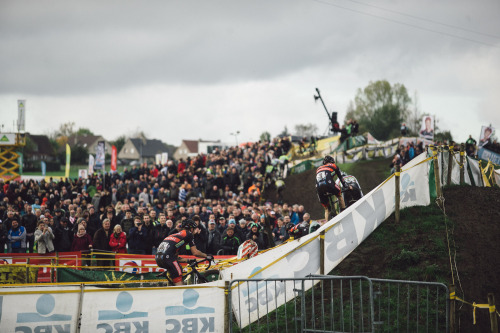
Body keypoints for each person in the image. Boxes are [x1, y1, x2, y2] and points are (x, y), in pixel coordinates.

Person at [155, 219, 213, 286]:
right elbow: (195, 252)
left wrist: (188, 260)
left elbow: (176, 257)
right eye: (194, 228)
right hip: (168, 258)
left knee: (175, 274)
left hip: (159, 258)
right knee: (179, 281)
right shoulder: (189, 234)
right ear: (191, 229)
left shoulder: (176, 235)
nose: (194, 230)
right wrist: (207, 256)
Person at [315, 155, 348, 221]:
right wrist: (345, 186)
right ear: (332, 161)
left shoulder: (318, 169)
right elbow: (340, 177)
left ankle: (327, 224)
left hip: (318, 188)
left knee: (327, 209)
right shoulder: (333, 166)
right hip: (329, 184)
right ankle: (344, 213)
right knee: (339, 195)